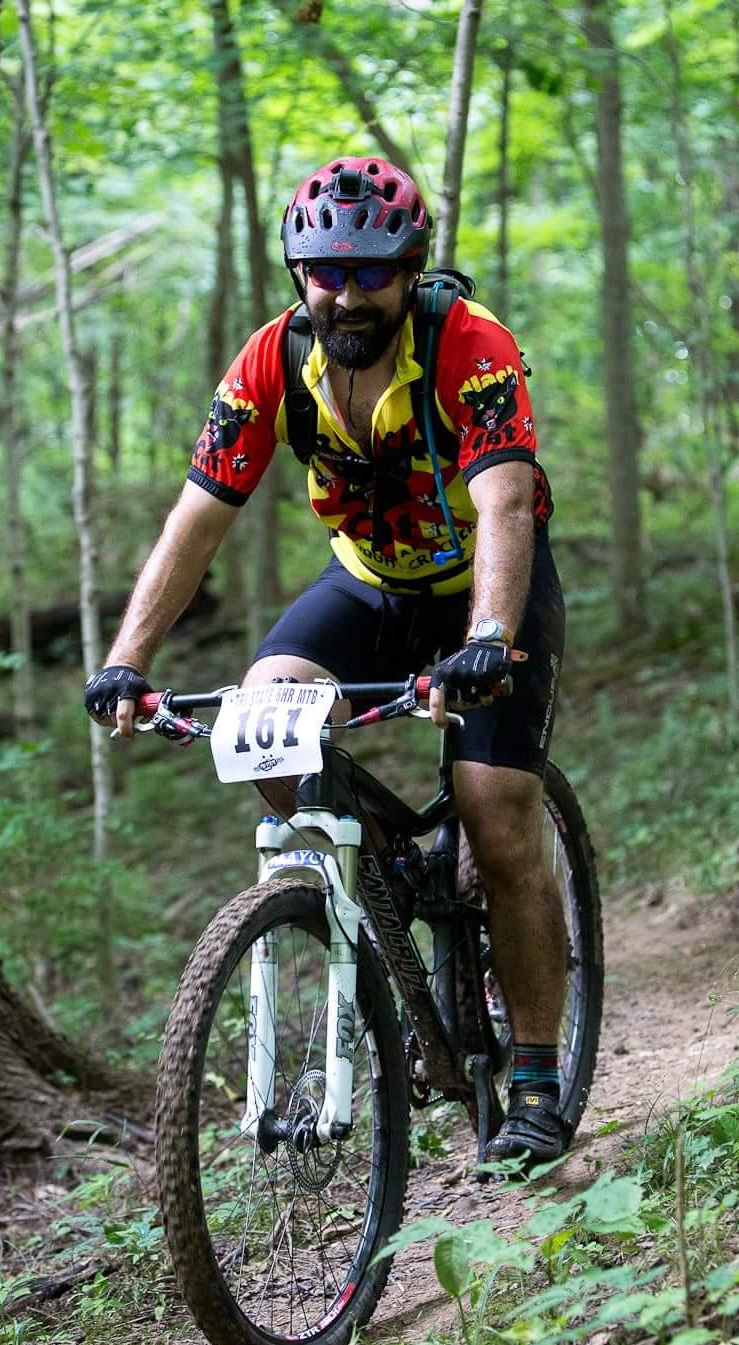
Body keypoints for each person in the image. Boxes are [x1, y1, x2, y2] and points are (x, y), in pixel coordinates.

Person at [85, 157, 570, 1167]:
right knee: (261, 732)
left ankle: (532, 1074)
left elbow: (505, 503)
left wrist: (486, 639)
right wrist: (126, 661)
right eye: (323, 272)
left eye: (369, 273)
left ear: (409, 269)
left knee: (494, 808)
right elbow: (195, 520)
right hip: (363, 584)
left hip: (484, 585)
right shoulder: (272, 360)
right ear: (297, 271)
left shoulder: (467, 348)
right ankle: (391, 879)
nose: (345, 294)